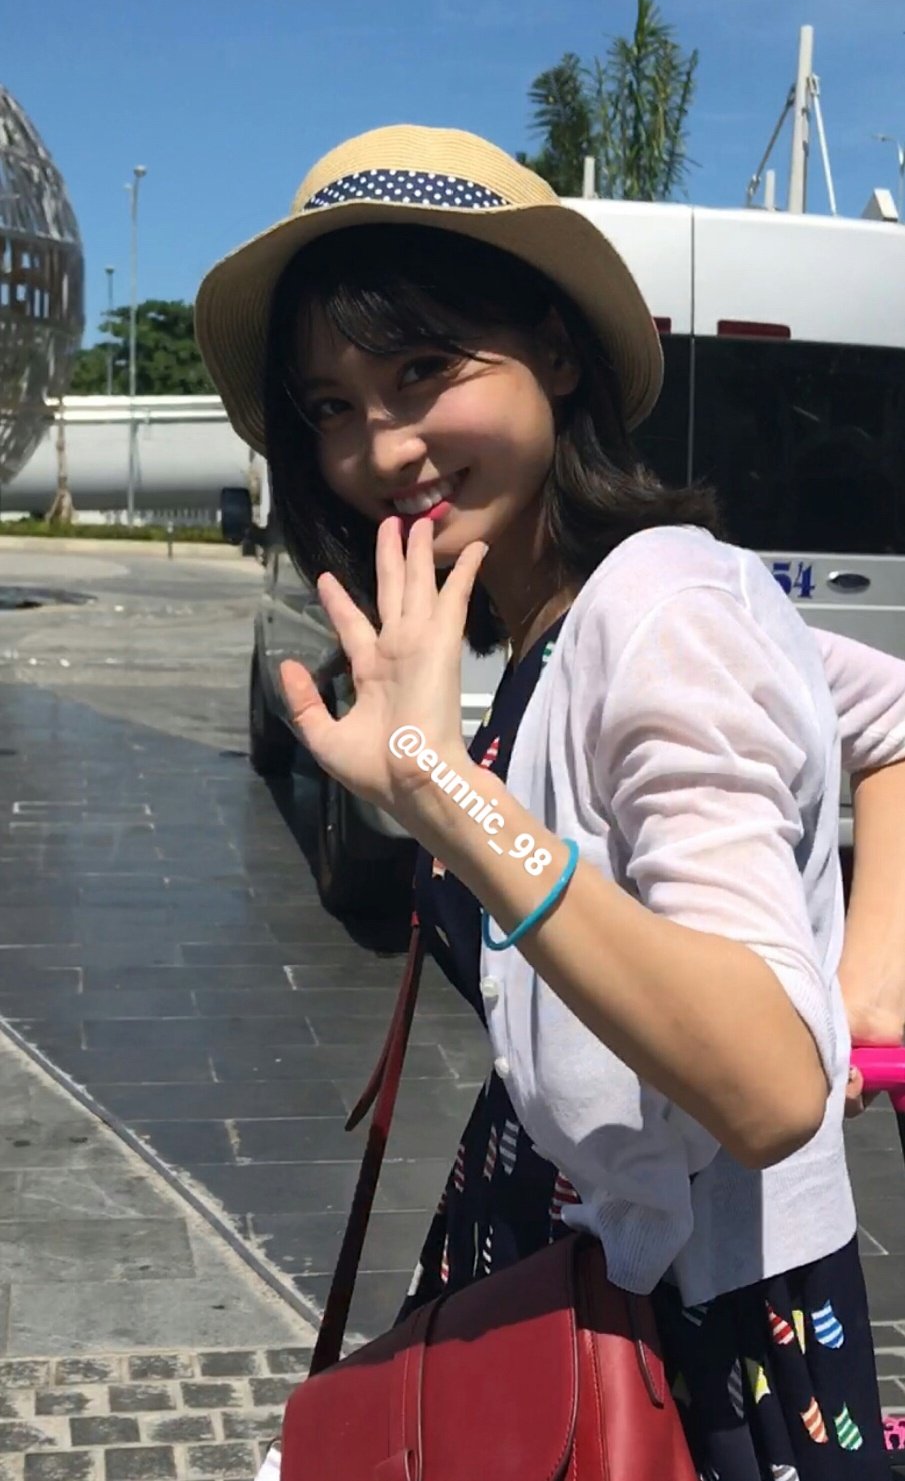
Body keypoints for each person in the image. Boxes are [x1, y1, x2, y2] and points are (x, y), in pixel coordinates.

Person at [196, 125, 905, 1480]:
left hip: (693, 1336)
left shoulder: (662, 606)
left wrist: (445, 793)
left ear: (558, 353)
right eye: (332, 405)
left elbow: (768, 1089)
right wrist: (869, 978)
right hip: (549, 1257)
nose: (381, 447)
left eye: (422, 370)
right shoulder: (566, 620)